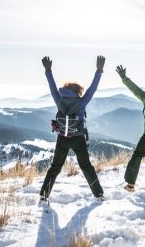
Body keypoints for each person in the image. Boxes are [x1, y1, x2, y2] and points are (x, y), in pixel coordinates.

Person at [39, 55, 106, 202]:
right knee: (86, 166)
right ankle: (98, 194)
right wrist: (99, 70)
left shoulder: (59, 100)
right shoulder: (81, 102)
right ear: (77, 91)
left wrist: (48, 70)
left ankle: (44, 195)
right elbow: (92, 89)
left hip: (62, 138)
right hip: (78, 139)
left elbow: (52, 87)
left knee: (55, 167)